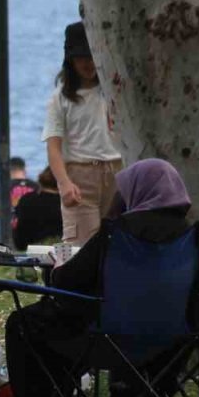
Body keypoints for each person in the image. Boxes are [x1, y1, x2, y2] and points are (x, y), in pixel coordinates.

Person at [5, 158, 199, 397]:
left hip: (106, 337)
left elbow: (69, 281)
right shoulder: (190, 236)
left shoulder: (119, 232)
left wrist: (55, 270)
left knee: (24, 323)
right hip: (169, 341)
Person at [43, 21, 123, 245]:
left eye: (91, 56)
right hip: (81, 175)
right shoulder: (61, 98)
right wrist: (64, 182)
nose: (88, 63)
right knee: (82, 245)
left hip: (117, 171)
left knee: (117, 241)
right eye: (81, 58)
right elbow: (53, 147)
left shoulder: (112, 90)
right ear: (71, 60)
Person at [12, 167, 63, 250]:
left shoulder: (26, 199)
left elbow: (18, 230)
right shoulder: (66, 203)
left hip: (27, 248)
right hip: (59, 250)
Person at [0, 156, 41, 224]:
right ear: (24, 170)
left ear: (8, 171)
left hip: (12, 230)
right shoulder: (37, 186)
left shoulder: (3, 187)